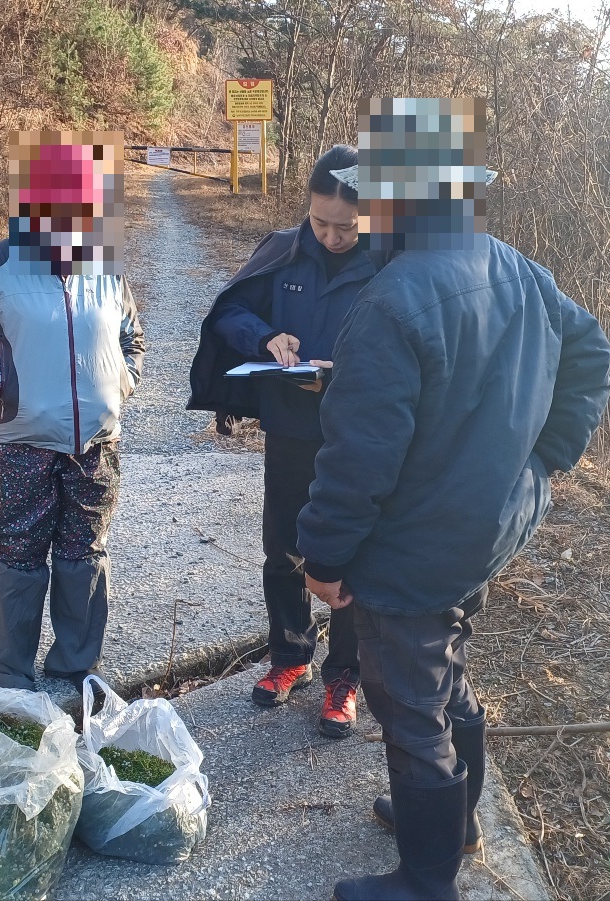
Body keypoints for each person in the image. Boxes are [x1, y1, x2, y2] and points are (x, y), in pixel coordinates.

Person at [297, 99, 610, 900]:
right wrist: (546, 463)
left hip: (422, 542)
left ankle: (428, 878)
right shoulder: (516, 267)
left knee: (408, 709)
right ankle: (460, 821)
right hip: (491, 526)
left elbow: (358, 458)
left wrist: (324, 559)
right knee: (447, 665)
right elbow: (592, 346)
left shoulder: (393, 302)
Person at [0, 130, 145, 693]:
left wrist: (122, 382)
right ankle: (9, 681)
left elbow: (133, 337)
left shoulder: (106, 266)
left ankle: (73, 672)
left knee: (85, 554)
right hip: (23, 444)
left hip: (97, 447)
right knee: (17, 556)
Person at [187, 145, 376, 738]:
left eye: (345, 225)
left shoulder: (393, 265)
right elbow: (229, 314)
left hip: (360, 436)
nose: (331, 235)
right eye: (320, 221)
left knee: (354, 557)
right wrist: (267, 338)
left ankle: (345, 675)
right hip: (291, 429)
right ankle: (290, 655)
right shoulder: (285, 251)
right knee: (284, 549)